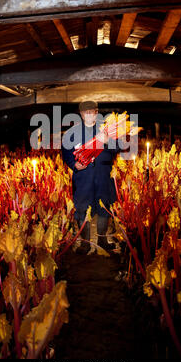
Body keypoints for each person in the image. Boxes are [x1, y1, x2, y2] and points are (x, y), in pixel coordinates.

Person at [61, 100, 125, 255]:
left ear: (97, 113)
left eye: (93, 112)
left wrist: (108, 140)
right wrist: (73, 164)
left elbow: (119, 147)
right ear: (81, 114)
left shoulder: (107, 130)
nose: (90, 115)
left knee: (104, 208)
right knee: (83, 209)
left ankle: (102, 240)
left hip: (104, 175)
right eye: (86, 112)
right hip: (83, 177)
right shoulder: (71, 133)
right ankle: (85, 243)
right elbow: (66, 152)